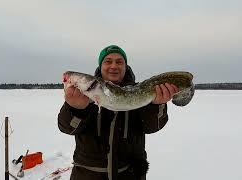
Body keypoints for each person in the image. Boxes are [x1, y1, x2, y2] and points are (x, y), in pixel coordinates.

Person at [57, 45, 179, 180]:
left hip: (130, 174)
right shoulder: (83, 95)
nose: (114, 66)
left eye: (119, 62)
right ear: (100, 66)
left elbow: (152, 127)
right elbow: (67, 128)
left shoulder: (140, 91)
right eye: (108, 61)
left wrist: (157, 105)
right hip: (88, 175)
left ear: (125, 66)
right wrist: (75, 109)